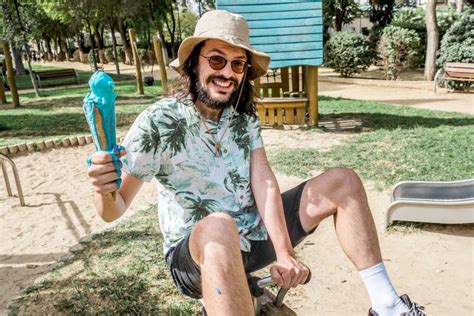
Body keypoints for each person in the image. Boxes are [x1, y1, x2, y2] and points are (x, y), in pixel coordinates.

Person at [87, 10, 425, 316]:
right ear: (194, 63)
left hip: (253, 236)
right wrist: (104, 189)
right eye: (217, 60)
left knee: (343, 181)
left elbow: (263, 184)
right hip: (196, 254)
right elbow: (112, 210)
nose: (227, 73)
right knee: (219, 226)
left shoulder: (242, 116)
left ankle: (388, 305)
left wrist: (283, 252)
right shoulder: (159, 121)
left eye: (237, 64)